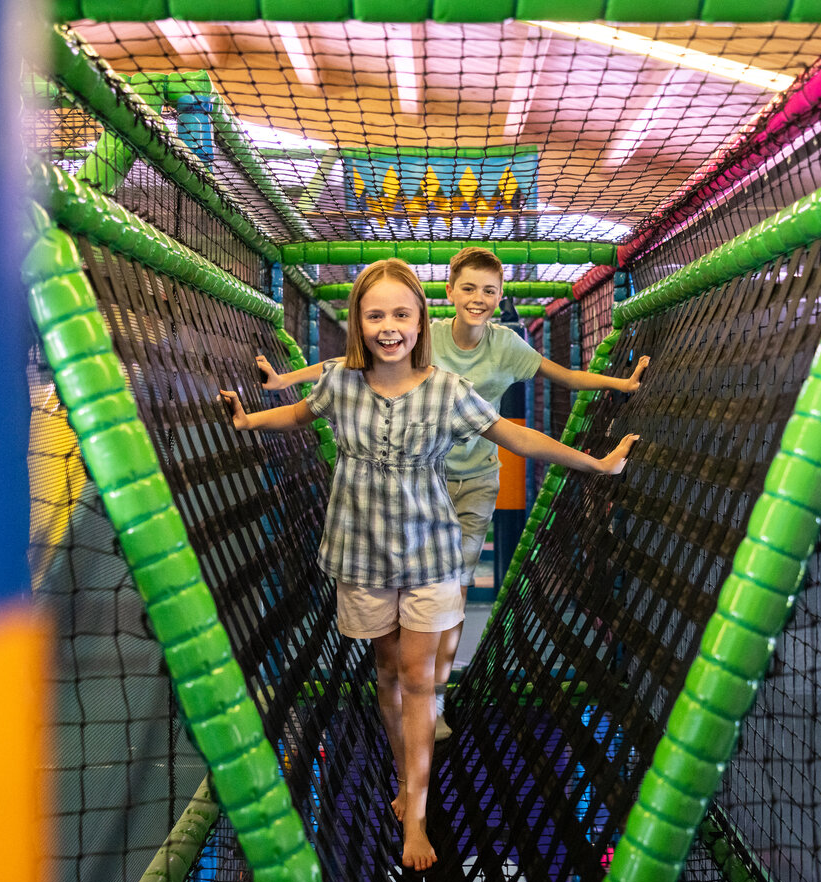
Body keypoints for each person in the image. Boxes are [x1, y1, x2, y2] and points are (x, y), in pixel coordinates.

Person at [221, 258, 638, 872]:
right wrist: (250, 417)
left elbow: (515, 436)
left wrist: (594, 463)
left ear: (421, 321)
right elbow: (303, 413)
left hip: (431, 555)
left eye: (400, 314)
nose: (389, 326)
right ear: (360, 324)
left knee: (416, 678)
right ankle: (401, 775)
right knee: (388, 674)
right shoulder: (341, 381)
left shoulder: (447, 389)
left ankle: (415, 813)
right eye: (375, 315)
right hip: (362, 555)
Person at [255, 247, 651, 740]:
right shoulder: (428, 337)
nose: (478, 299)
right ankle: (410, 685)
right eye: (468, 288)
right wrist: (283, 382)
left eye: (489, 290)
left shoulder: (508, 347)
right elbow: (348, 361)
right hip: (429, 481)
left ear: (501, 297)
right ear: (448, 294)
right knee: (418, 592)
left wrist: (621, 386)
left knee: (454, 592)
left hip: (479, 478)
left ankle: (432, 696)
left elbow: (563, 378)